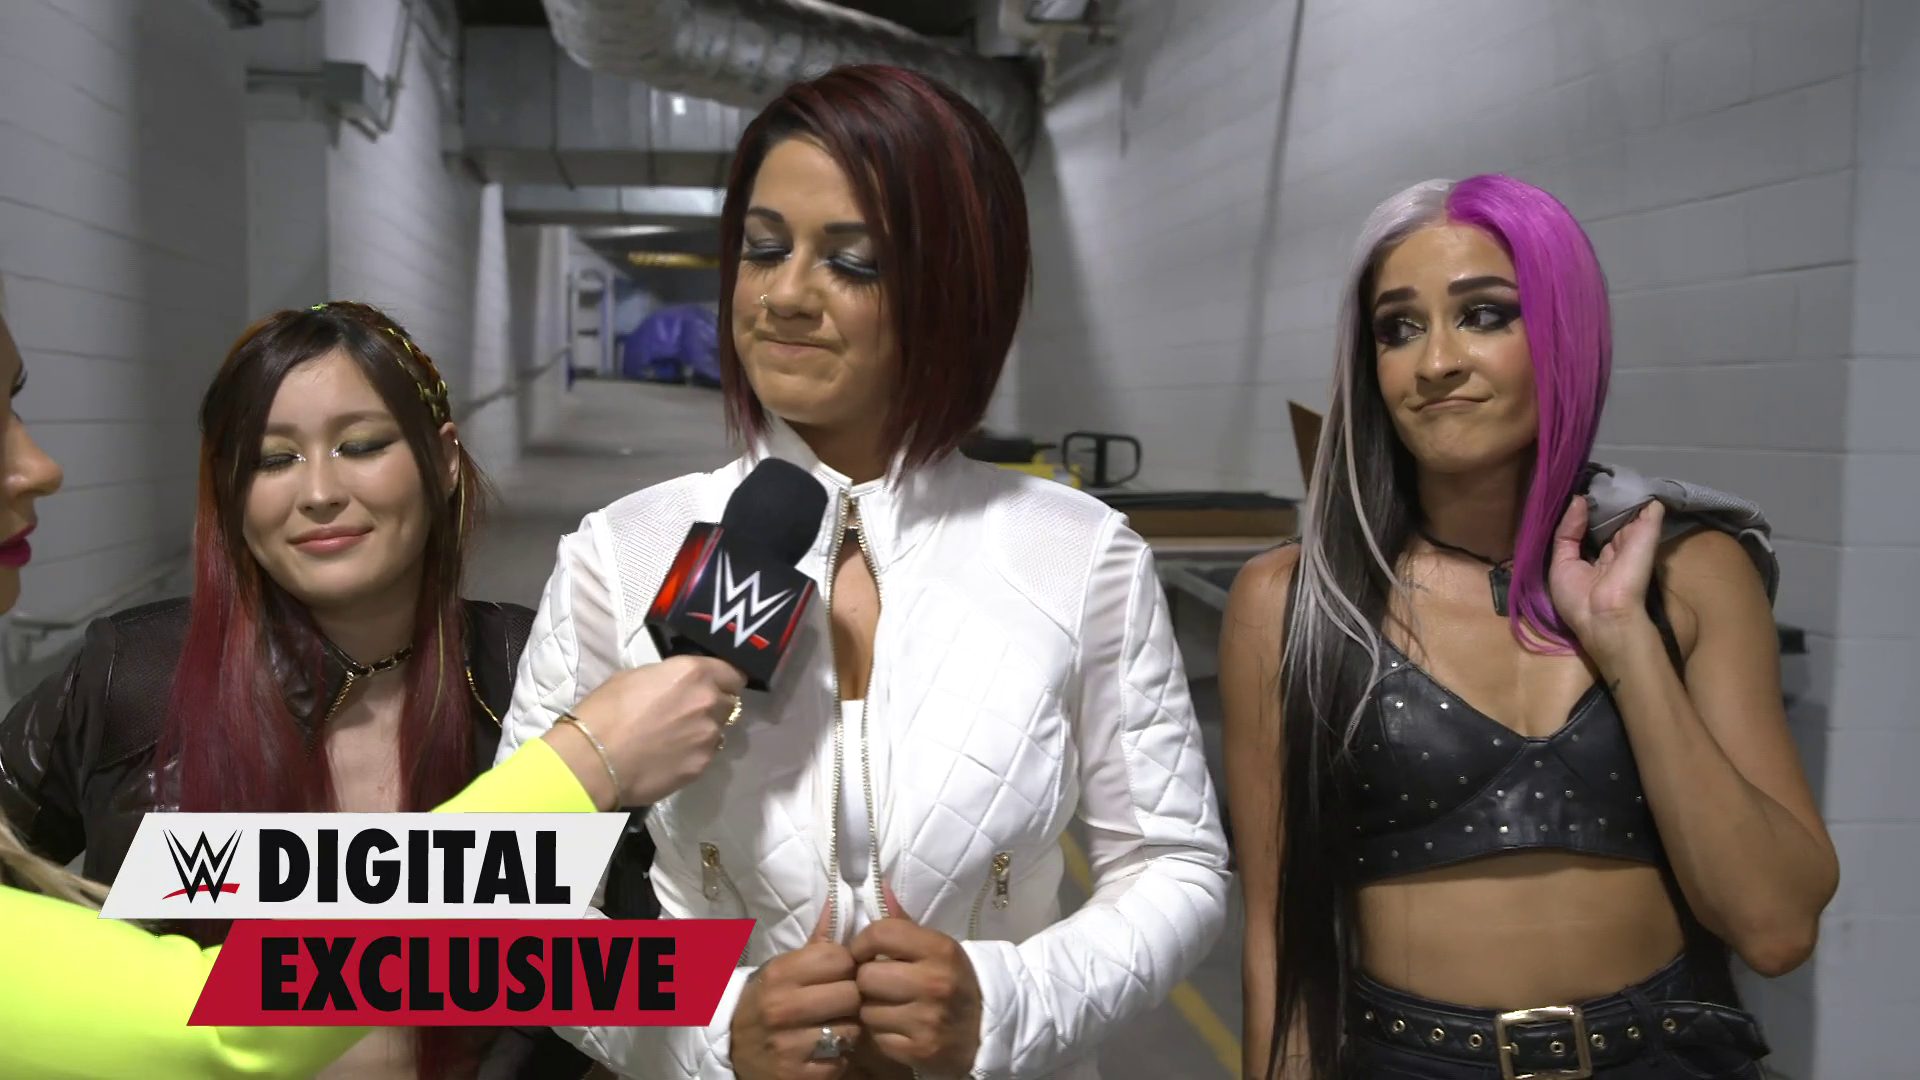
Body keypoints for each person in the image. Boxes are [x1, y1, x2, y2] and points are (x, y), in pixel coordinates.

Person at [494, 64, 1232, 1080]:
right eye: (763, 249)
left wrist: (1011, 1004)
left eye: (855, 263)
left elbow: (1173, 865)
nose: (786, 295)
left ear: (955, 288)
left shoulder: (1081, 554)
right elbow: (509, 902)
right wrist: (711, 1030)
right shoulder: (619, 552)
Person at [0, 296, 750, 1079]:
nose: (319, 491)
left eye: (359, 446)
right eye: (272, 459)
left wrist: (731, 1017)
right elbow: (201, 1019)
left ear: (444, 459)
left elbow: (619, 960)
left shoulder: (536, 672)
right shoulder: (131, 677)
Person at [1222, 175, 1839, 1080]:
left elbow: (1776, 928)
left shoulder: (1692, 574)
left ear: (1565, 333)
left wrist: (1625, 641)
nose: (1436, 362)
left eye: (1484, 316)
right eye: (1399, 328)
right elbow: (1282, 948)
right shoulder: (1295, 602)